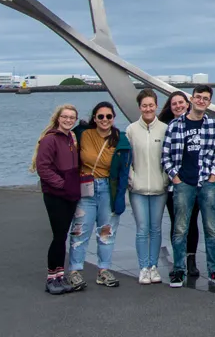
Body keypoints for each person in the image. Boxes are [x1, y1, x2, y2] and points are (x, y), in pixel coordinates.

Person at [161, 84, 215, 288]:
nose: (201, 101)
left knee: (211, 229)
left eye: (205, 98)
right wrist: (175, 178)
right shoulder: (175, 125)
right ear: (192, 99)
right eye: (198, 97)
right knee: (180, 229)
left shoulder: (212, 125)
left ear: (209, 102)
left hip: (206, 183)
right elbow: (165, 155)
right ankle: (179, 270)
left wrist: (214, 175)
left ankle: (214, 270)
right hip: (184, 184)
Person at [67, 101, 132, 290]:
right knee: (80, 230)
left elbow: (123, 171)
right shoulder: (82, 133)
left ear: (113, 118)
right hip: (85, 187)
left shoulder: (121, 140)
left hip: (107, 189)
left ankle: (103, 270)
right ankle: (75, 271)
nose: (105, 120)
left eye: (108, 116)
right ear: (94, 118)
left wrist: (120, 198)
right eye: (101, 116)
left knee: (106, 232)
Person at [31, 104, 80, 295]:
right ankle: (51, 277)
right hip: (55, 195)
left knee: (63, 236)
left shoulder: (71, 138)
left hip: (69, 195)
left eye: (72, 118)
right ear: (58, 118)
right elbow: (43, 168)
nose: (68, 120)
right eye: (65, 117)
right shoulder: (49, 140)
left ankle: (60, 276)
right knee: (58, 237)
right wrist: (62, 184)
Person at [126, 89, 168, 285]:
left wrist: (165, 178)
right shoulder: (131, 130)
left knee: (156, 228)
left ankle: (153, 267)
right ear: (140, 107)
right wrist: (131, 178)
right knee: (142, 229)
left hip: (159, 188)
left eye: (151, 105)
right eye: (145, 105)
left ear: (156, 106)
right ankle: (143, 267)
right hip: (138, 189)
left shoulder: (165, 129)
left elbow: (169, 158)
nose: (148, 109)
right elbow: (127, 159)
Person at [160, 91, 203, 277]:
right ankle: (179, 261)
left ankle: (191, 260)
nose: (178, 106)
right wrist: (175, 177)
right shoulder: (167, 127)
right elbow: (165, 155)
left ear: (188, 103)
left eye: (181, 102)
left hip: (196, 183)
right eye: (174, 104)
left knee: (192, 222)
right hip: (174, 185)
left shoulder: (201, 125)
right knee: (177, 223)